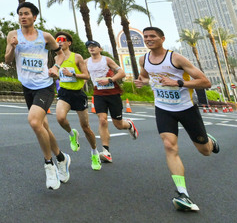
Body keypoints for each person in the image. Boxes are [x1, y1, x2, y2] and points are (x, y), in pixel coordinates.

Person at [134, 26, 219, 212]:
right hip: (163, 108)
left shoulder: (176, 58)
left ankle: (209, 141)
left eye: (152, 36)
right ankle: (183, 194)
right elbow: (147, 77)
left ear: (162, 39)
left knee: (205, 151)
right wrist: (142, 82)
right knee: (169, 146)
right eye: (145, 37)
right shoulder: (143, 59)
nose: (148, 39)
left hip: (186, 108)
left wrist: (178, 82)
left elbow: (205, 82)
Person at [5, 2, 70, 191]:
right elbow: (8, 60)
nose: (22, 17)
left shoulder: (45, 37)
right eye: (20, 14)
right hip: (27, 87)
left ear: (34, 17)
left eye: (26, 13)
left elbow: (61, 55)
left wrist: (55, 67)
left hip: (44, 86)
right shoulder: (13, 35)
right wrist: (12, 47)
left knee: (34, 122)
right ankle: (62, 158)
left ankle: (49, 166)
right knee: (43, 127)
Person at [51, 32, 102, 171]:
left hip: (78, 94)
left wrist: (72, 74)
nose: (59, 42)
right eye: (57, 40)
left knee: (85, 127)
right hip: (64, 93)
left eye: (63, 40)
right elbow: (57, 74)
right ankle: (72, 134)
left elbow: (86, 75)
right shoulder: (56, 58)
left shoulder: (77, 57)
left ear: (69, 43)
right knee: (60, 118)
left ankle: (94, 153)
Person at [84, 40, 138, 163]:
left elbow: (122, 73)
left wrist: (110, 80)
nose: (91, 48)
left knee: (118, 125)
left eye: (94, 46)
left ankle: (129, 125)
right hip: (98, 94)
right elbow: (84, 75)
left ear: (100, 49)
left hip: (113, 94)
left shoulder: (106, 60)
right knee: (102, 120)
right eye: (89, 47)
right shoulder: (86, 62)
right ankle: (106, 152)